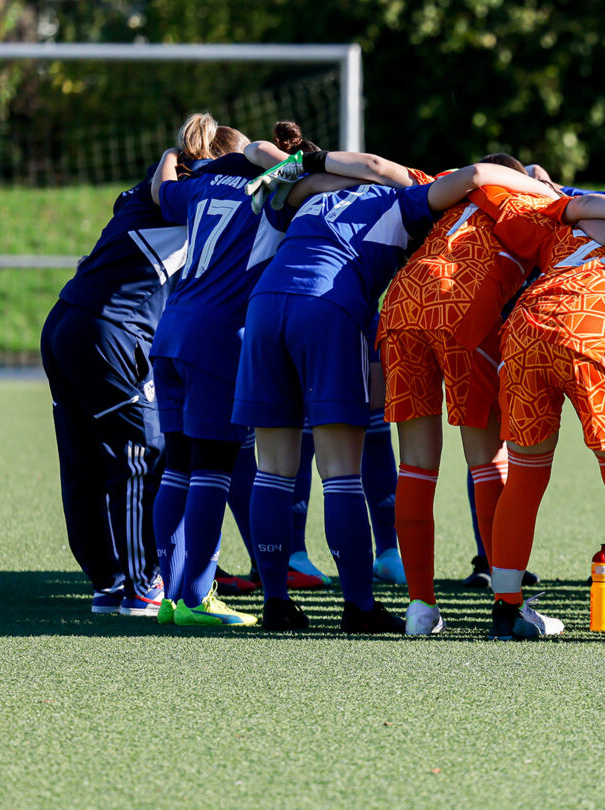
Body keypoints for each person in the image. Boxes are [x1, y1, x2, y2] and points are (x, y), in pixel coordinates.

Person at [234, 158, 550, 632]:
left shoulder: (313, 194)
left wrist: (305, 160)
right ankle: (361, 606)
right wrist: (538, 185)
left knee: (274, 471)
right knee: (341, 472)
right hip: (330, 305)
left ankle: (277, 602)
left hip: (265, 306)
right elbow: (470, 178)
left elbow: (278, 160)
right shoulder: (403, 199)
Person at [467, 184, 605, 643]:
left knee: (525, 477)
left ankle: (505, 614)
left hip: (529, 329)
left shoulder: (559, 224)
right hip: (599, 337)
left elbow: (506, 191)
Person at [41, 112, 242, 616]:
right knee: (142, 455)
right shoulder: (196, 198)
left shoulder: (146, 190)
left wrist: (170, 159)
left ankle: (109, 582)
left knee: (83, 457)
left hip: (65, 322)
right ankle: (141, 584)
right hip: (109, 330)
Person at [148, 125, 332, 627]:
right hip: (218, 338)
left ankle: (170, 595)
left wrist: (172, 152)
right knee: (212, 472)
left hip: (170, 332)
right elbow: (313, 174)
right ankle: (197, 597)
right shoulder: (268, 186)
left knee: (178, 469)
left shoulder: (202, 183)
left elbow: (161, 191)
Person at [375, 155, 543, 634]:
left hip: (402, 305)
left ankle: (420, 605)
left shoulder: (452, 190)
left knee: (415, 464)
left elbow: (381, 167)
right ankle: (507, 604)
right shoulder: (534, 202)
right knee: (488, 461)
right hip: (463, 310)